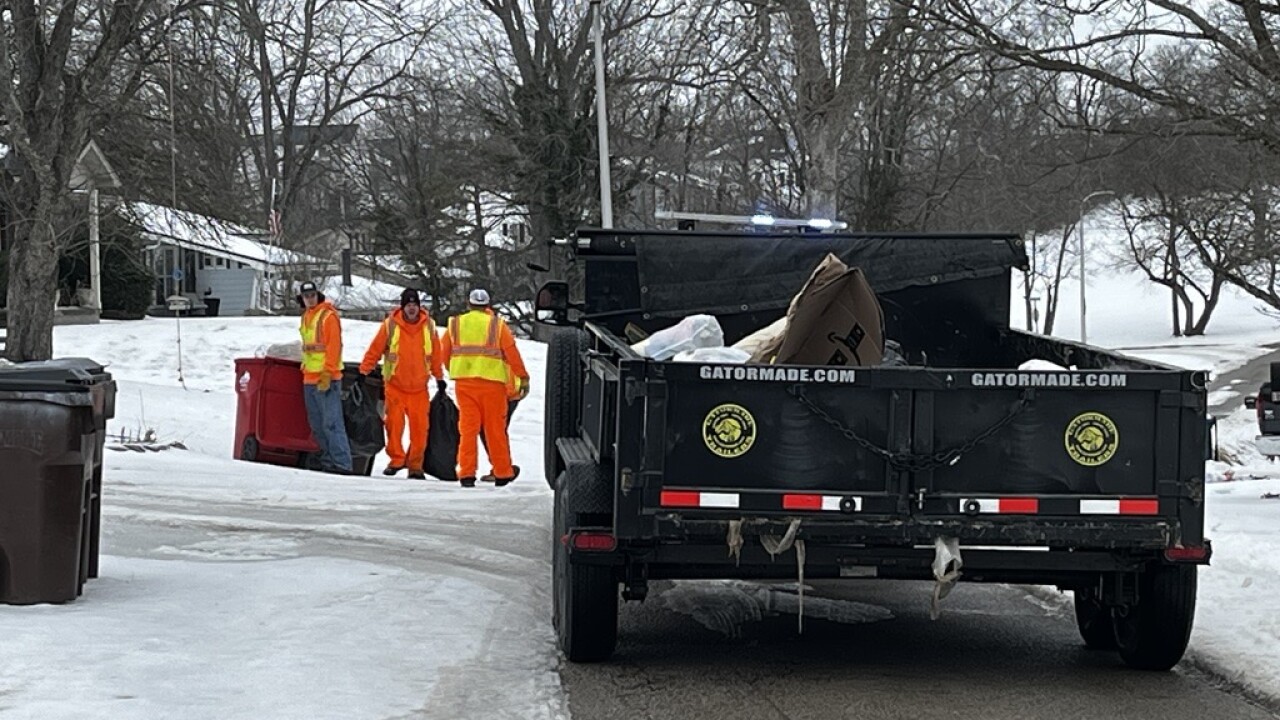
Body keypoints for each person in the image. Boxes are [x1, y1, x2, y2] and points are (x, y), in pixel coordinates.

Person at [441, 288, 530, 488]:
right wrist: (523, 377)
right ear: (487, 305)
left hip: (465, 385)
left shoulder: (455, 324)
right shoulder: (497, 326)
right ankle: (502, 472)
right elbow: (512, 353)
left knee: (468, 430)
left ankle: (466, 473)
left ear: (469, 304)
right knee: (495, 430)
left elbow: (443, 353)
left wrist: (456, 369)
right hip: (493, 386)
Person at [359, 288, 445, 480]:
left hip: (419, 389)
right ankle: (396, 460)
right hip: (395, 386)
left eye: (415, 305)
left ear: (419, 307)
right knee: (393, 427)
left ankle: (415, 466)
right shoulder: (390, 325)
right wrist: (364, 371)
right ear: (403, 307)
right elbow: (375, 350)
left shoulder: (429, 326)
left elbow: (435, 355)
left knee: (420, 430)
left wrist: (439, 378)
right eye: (408, 305)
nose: (412, 308)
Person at [298, 281, 353, 475]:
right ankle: (329, 461)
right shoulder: (307, 317)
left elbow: (334, 346)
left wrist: (328, 373)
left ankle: (342, 464)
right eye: (306, 296)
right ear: (302, 298)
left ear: (318, 295)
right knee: (318, 425)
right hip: (310, 378)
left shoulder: (328, 316)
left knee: (332, 423)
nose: (310, 299)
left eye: (312, 295)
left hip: (326, 378)